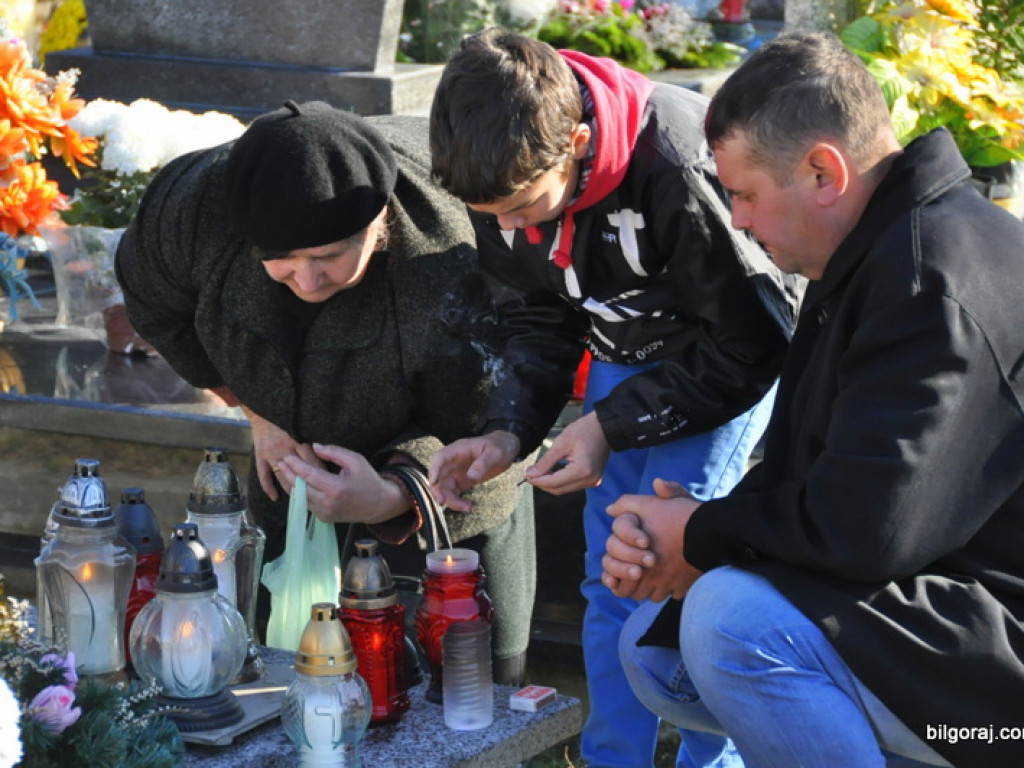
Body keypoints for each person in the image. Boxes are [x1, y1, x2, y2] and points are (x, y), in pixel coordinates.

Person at [604, 31, 1024, 768]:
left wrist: (701, 535)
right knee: (656, 650)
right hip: (944, 604)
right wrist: (695, 536)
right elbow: (824, 475)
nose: (737, 220)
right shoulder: (883, 251)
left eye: (744, 195)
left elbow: (868, 530)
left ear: (823, 172)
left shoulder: (925, 280)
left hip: (1000, 661)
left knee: (728, 623)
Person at [427, 28, 800, 767]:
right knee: (611, 578)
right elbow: (536, 315)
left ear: (577, 142)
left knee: (682, 573)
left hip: (721, 362)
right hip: (621, 359)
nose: (509, 229)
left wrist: (606, 428)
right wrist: (508, 430)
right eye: (491, 214)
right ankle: (612, 758)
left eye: (523, 208)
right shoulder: (497, 171)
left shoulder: (678, 163)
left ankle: (714, 760)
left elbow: (754, 341)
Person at [115, 101, 536, 685]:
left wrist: (390, 495)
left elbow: (495, 418)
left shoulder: (450, 259)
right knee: (291, 676)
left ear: (379, 220)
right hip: (295, 467)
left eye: (329, 257)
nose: (308, 281)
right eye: (281, 261)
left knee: (459, 688)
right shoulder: (193, 208)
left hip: (451, 494)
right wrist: (257, 411)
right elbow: (154, 302)